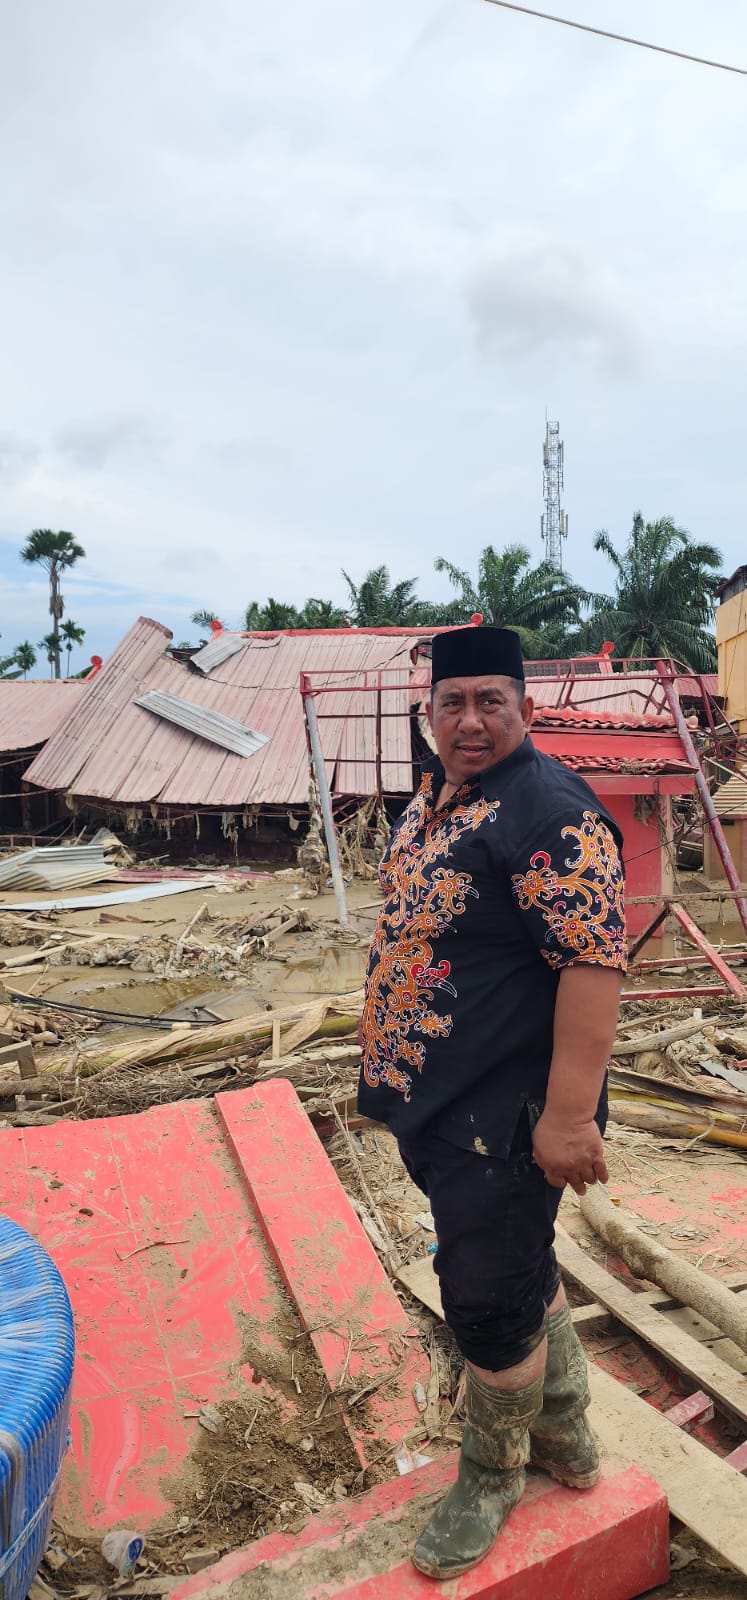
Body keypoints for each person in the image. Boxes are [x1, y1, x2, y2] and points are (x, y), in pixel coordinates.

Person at [357, 625, 626, 1580]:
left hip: (503, 1116)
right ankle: (566, 1434)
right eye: (451, 703)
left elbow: (593, 970)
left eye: (490, 702)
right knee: (518, 1264)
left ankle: (490, 1474)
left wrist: (567, 1118)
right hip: (440, 1099)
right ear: (430, 712)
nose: (469, 721)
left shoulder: (550, 811)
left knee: (482, 1297)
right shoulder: (443, 796)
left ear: (523, 706)